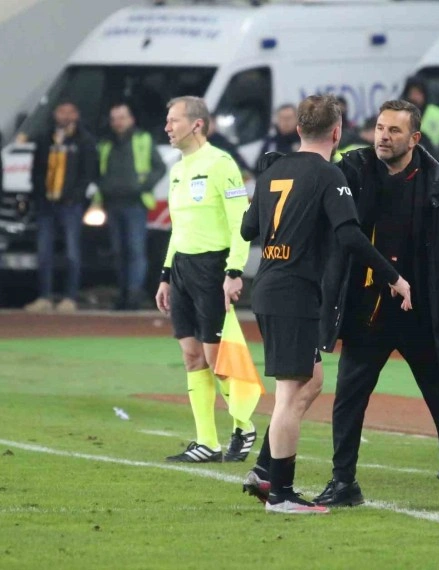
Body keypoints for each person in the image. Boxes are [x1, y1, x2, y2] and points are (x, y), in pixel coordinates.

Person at [309, 99, 439, 512]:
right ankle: (343, 481)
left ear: (414, 138)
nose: (383, 136)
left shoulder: (438, 181)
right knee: (349, 398)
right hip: (368, 309)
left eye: (394, 130)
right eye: (380, 128)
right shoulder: (353, 170)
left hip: (422, 311)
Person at [240, 94, 411, 514]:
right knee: (288, 394)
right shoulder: (329, 174)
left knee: (311, 381)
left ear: (299, 128)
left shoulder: (273, 169)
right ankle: (280, 494)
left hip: (270, 287)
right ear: (337, 132)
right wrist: (393, 276)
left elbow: (248, 229)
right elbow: (350, 235)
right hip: (293, 293)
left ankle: (265, 471)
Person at [155, 96, 257, 464]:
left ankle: (244, 425)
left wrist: (234, 271)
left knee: (217, 358)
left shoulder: (222, 164)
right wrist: (166, 274)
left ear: (197, 124)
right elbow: (178, 228)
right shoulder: (178, 169)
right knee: (191, 355)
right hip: (183, 267)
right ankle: (207, 443)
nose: (167, 127)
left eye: (174, 120)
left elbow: (241, 222)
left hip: (212, 268)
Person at [24, 100, 97, 314]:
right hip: (46, 204)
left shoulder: (84, 140)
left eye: (69, 112)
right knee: (43, 252)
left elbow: (88, 173)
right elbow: (36, 170)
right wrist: (39, 193)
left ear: (76, 115)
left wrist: (74, 197)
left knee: (72, 252)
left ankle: (69, 297)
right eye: (61, 112)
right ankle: (44, 296)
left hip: (70, 206)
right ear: (54, 114)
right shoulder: (45, 138)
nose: (65, 116)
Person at [96, 102, 166, 310]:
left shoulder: (142, 139)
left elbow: (159, 167)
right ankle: (124, 293)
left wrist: (142, 186)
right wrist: (104, 188)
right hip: (112, 203)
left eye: (121, 118)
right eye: (114, 119)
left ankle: (134, 293)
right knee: (119, 251)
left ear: (131, 119)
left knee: (135, 250)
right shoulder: (105, 144)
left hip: (135, 203)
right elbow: (98, 171)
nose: (117, 122)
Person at [401, 76, 439, 155]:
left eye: (418, 94)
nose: (414, 97)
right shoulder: (398, 116)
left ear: (425, 96)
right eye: (411, 93)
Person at [254, 104, 300, 173]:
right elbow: (259, 166)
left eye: (289, 118)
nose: (286, 122)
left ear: (296, 119)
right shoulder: (271, 141)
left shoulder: (304, 139)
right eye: (282, 118)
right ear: (277, 120)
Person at [207, 113, 252, 178]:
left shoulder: (221, 141)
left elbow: (235, 157)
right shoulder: (200, 143)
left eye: (208, 123)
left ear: (214, 123)